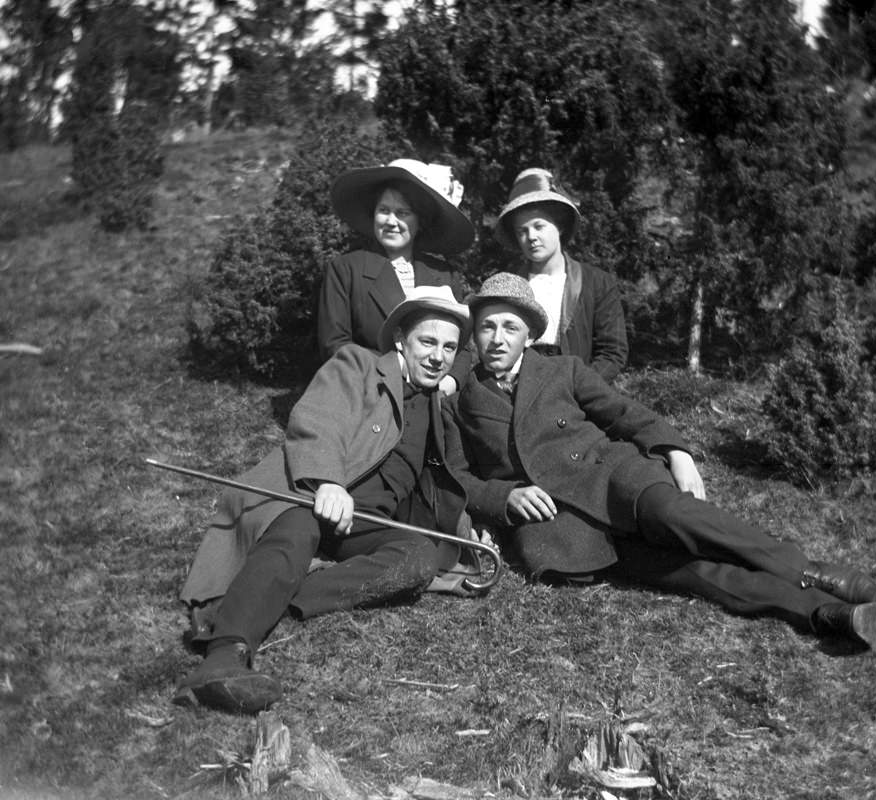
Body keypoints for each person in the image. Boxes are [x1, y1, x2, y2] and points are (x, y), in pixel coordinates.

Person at [442, 273, 876, 649]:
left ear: (529, 334)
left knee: (682, 516)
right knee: (691, 574)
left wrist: (676, 451)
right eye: (487, 327)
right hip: (561, 522)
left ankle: (810, 571)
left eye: (510, 327)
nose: (498, 339)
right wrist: (505, 496)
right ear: (474, 334)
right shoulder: (459, 401)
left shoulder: (564, 370)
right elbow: (461, 477)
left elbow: (624, 413)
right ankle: (821, 613)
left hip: (615, 478)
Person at [175, 286, 474, 714]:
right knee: (296, 531)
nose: (437, 356)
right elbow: (319, 419)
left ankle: (278, 594)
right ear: (400, 340)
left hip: (365, 524)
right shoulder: (358, 363)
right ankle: (223, 657)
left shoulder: (437, 408)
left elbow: (453, 478)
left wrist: (469, 527)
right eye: (427, 342)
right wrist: (329, 482)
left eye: (448, 347)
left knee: (418, 557)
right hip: (308, 495)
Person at [318, 158, 476, 393]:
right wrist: (399, 371)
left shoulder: (444, 274)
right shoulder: (345, 269)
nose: (392, 221)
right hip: (371, 392)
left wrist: (450, 381)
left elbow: (461, 346)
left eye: (403, 213)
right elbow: (335, 345)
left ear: (419, 220)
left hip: (433, 399)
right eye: (384, 211)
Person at [493, 168, 627, 382]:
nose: (532, 237)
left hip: (578, 389)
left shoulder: (597, 282)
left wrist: (582, 387)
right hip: (519, 386)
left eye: (539, 226)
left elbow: (613, 352)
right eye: (522, 231)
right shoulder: (509, 284)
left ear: (560, 227)